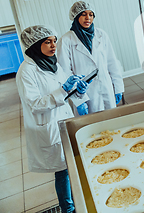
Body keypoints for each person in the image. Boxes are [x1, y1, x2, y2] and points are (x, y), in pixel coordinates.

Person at [16, 25, 90, 213]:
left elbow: (65, 92)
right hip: (48, 126)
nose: (53, 45)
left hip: (64, 122)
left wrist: (78, 92)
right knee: (63, 171)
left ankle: (78, 202)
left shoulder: (53, 63)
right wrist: (64, 89)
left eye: (54, 40)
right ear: (35, 44)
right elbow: (35, 104)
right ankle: (68, 209)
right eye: (47, 42)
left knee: (71, 166)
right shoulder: (26, 71)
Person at [57, 1, 124, 114]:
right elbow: (65, 73)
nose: (88, 18)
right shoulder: (66, 40)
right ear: (76, 16)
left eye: (91, 14)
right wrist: (79, 100)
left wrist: (118, 87)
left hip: (105, 87)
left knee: (111, 123)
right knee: (91, 127)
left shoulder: (101, 35)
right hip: (84, 92)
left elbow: (112, 62)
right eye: (83, 14)